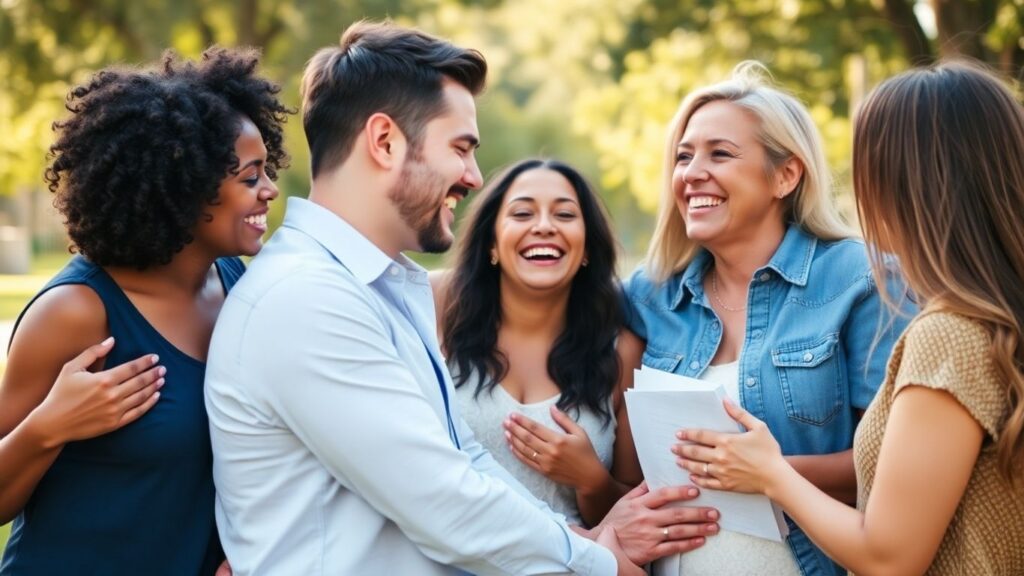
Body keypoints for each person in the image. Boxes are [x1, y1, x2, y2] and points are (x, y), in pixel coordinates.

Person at [205, 21, 718, 576]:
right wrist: (601, 564)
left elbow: (463, 461)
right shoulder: (305, 300)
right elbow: (442, 499)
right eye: (461, 148)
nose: (474, 176)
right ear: (384, 142)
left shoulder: (385, 290)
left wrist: (583, 539)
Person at [674, 60, 1024, 575]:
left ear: (907, 185)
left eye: (872, 169)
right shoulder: (991, 320)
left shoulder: (949, 335)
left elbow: (888, 559)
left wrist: (772, 473)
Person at [0, 47, 289, 575]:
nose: (270, 190)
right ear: (185, 187)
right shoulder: (76, 312)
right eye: (250, 178)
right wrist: (49, 427)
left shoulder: (238, 287)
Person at [623, 62, 915, 576]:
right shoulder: (649, 296)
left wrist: (766, 473)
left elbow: (898, 466)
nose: (692, 173)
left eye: (720, 154)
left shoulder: (861, 279)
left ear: (786, 174)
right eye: (684, 156)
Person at [433, 158, 646, 527]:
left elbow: (633, 512)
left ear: (588, 250)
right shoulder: (438, 303)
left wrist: (591, 480)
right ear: (492, 245)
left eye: (564, 215)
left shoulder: (623, 352)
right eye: (522, 213)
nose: (544, 226)